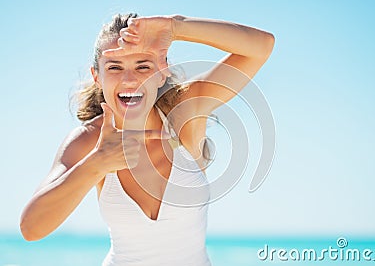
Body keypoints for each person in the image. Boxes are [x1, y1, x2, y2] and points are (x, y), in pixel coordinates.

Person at [20, 13, 274, 265]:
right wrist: (97, 163)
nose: (129, 79)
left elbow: (261, 47)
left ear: (162, 71)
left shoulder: (183, 115)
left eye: (143, 66)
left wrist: (176, 27)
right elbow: (32, 229)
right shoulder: (89, 141)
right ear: (97, 76)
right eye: (114, 67)